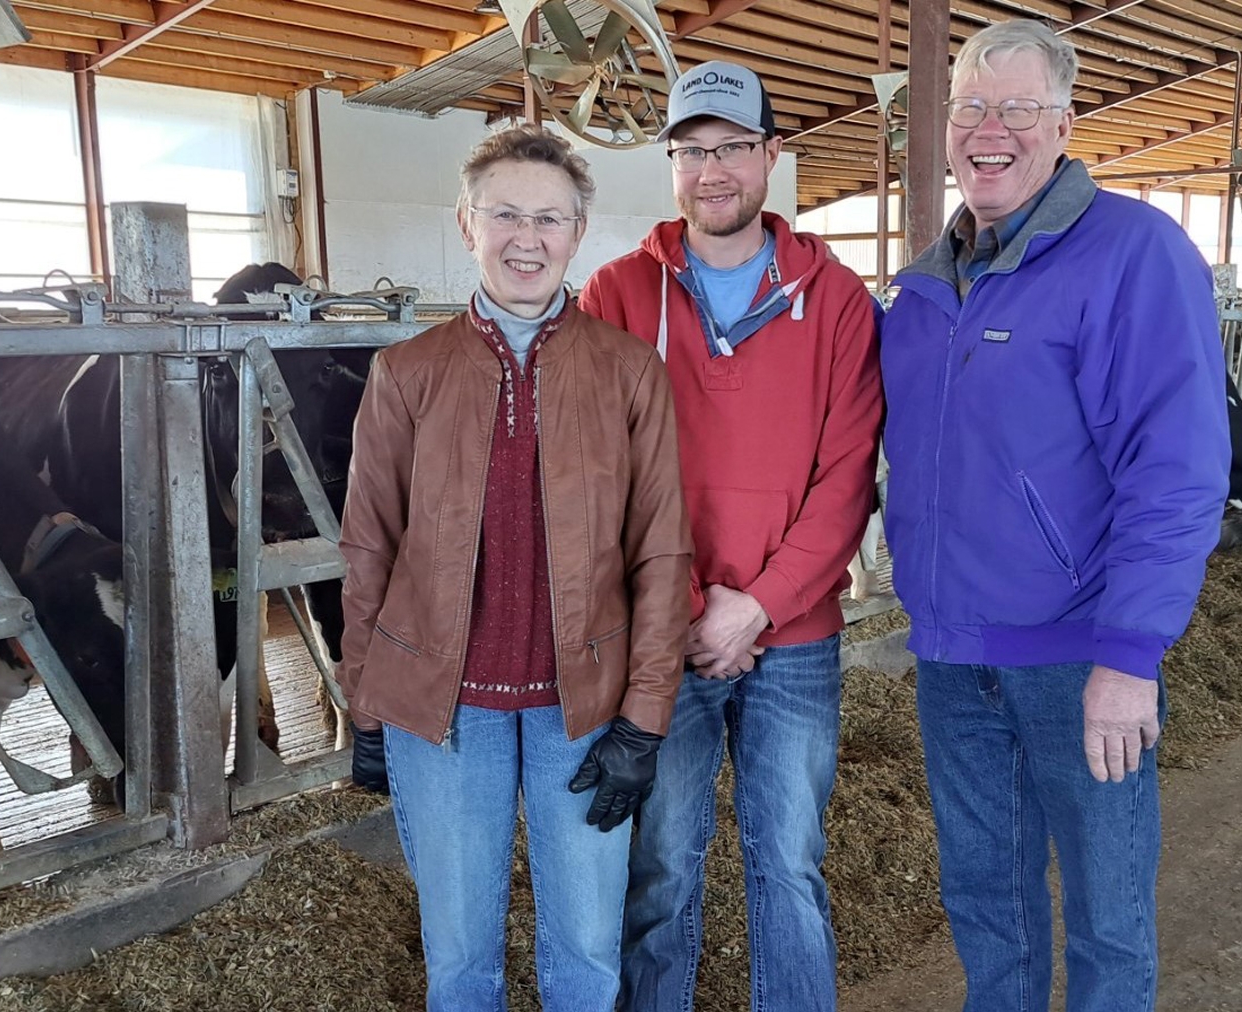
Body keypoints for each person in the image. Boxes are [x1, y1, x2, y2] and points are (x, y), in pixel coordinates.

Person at [879, 20, 1228, 1012]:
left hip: (1080, 658)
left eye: (1017, 109)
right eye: (971, 108)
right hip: (951, 658)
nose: (991, 129)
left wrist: (1129, 655)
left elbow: (1177, 471)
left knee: (1106, 912)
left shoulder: (1133, 256)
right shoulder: (924, 287)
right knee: (986, 900)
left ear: (1064, 123)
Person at [336, 124, 694, 1011]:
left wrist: (645, 718)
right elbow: (369, 545)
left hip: (586, 706)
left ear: (578, 234)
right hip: (443, 712)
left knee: (585, 951)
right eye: (504, 214)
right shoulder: (406, 372)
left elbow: (660, 549)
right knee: (460, 958)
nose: (525, 238)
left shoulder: (627, 372)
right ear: (467, 225)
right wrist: (369, 699)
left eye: (549, 218)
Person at [580, 60, 883, 1012]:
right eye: (691, 151)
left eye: (733, 149)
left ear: (771, 157)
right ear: (671, 163)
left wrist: (756, 606)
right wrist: (692, 612)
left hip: (794, 640)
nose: (713, 171)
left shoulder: (836, 301)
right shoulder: (618, 294)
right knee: (660, 863)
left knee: (788, 862)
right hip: (664, 641)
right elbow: (600, 474)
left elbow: (846, 480)